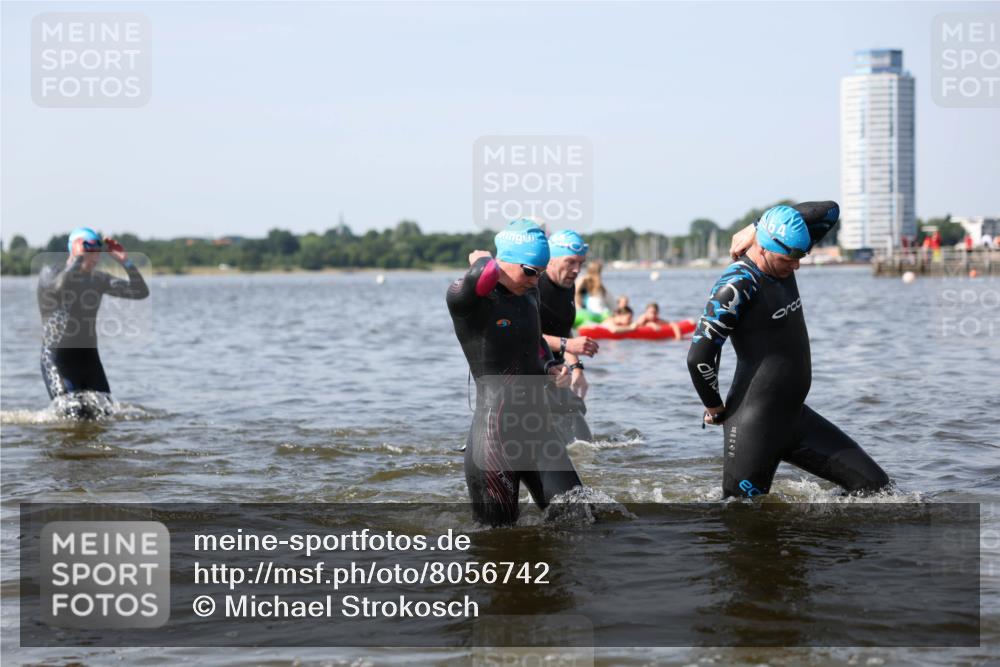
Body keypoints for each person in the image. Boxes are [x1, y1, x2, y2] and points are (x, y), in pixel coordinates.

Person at [689, 203, 889, 498]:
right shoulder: (737, 285)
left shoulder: (784, 254)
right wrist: (715, 408)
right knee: (741, 520)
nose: (795, 266)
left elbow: (829, 211)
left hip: (794, 417)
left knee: (876, 488)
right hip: (753, 425)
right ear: (765, 249)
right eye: (788, 259)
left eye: (801, 257)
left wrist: (756, 225)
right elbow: (699, 356)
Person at [447, 219, 584, 526]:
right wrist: (481, 256)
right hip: (495, 440)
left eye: (541, 271)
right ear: (502, 262)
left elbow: (534, 342)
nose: (536, 280)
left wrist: (551, 366)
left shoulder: (530, 294)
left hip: (539, 433)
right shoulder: (469, 301)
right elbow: (481, 273)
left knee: (580, 519)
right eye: (530, 271)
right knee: (499, 541)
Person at [37, 227, 149, 415]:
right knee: (72, 414)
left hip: (89, 360)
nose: (94, 256)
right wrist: (79, 258)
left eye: (97, 251)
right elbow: (59, 288)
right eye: (89, 250)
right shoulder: (51, 272)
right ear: (73, 248)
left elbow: (140, 292)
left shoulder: (98, 279)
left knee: (105, 416)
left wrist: (125, 261)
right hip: (58, 360)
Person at [538, 230, 599, 443]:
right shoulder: (534, 286)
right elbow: (521, 335)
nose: (577, 270)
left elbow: (562, 332)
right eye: (570, 262)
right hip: (525, 373)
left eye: (581, 263)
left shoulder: (567, 285)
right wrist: (569, 344)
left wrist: (577, 369)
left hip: (555, 371)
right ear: (550, 260)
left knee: (581, 435)